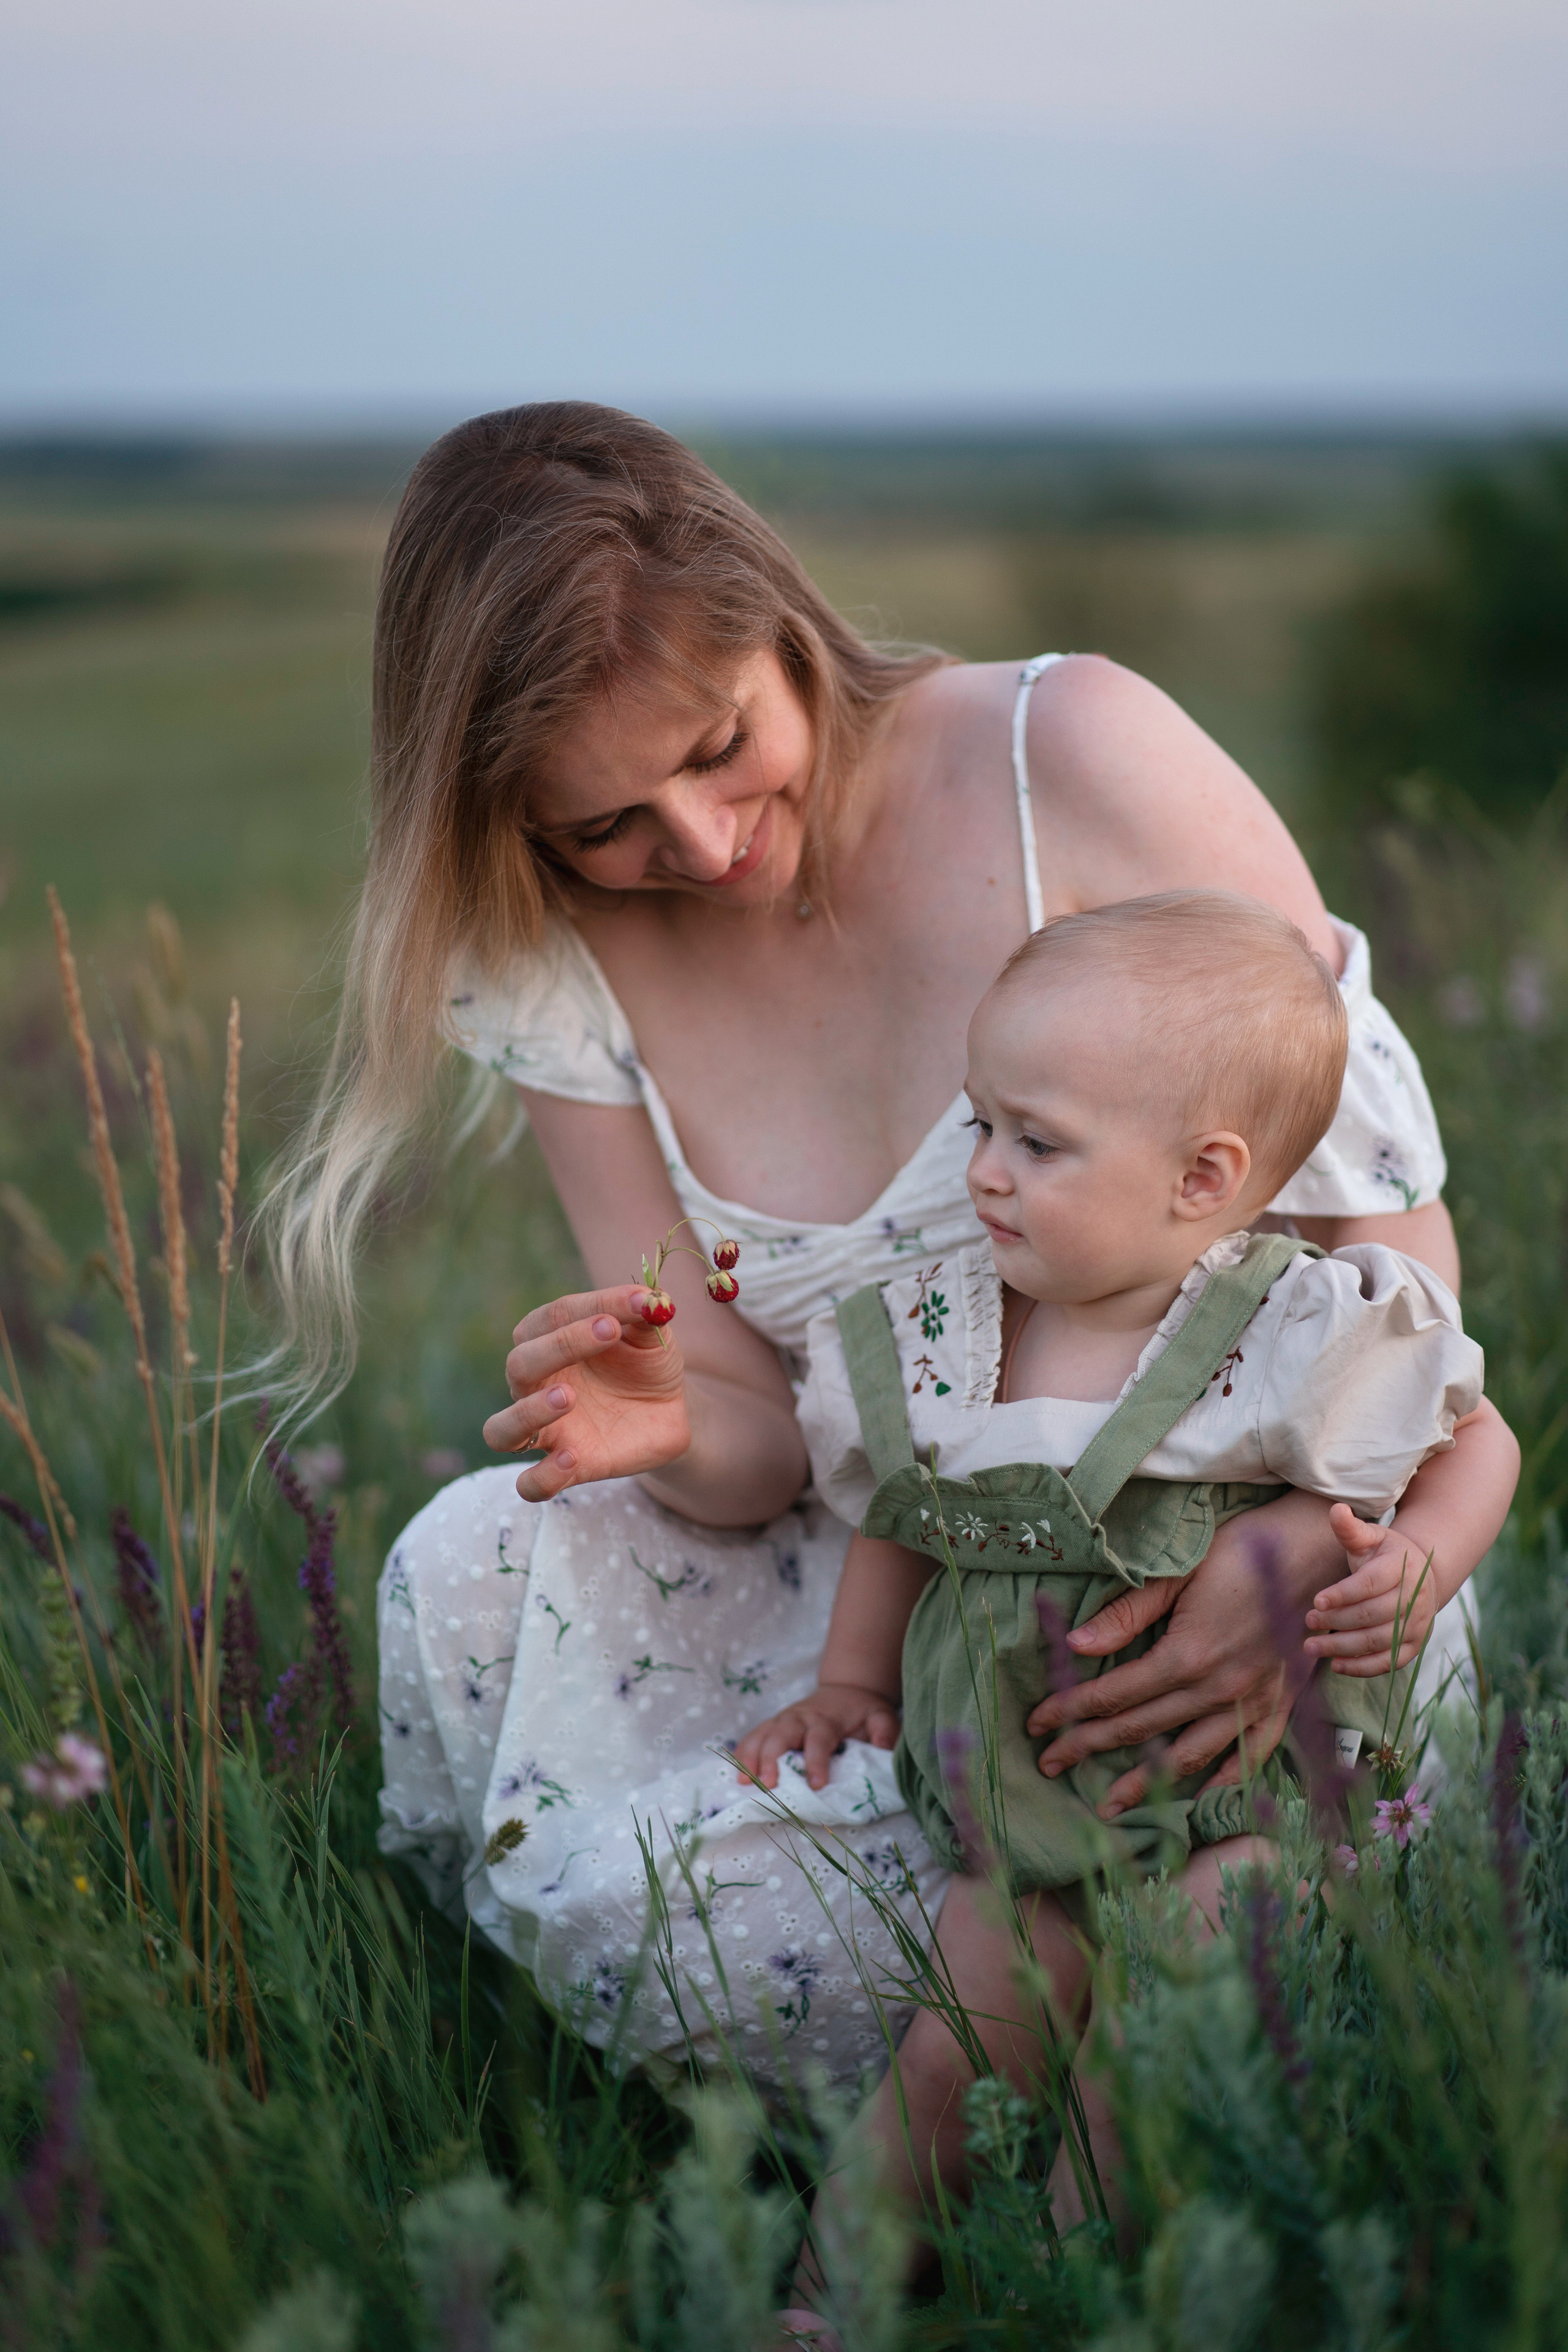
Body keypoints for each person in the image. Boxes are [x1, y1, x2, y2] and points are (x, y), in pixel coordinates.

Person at [271, 402, 1491, 2089]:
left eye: (714, 748)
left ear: (776, 619)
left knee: (1140, 1916)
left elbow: (1388, 1247)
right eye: (601, 826)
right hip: (899, 1571)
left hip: (1251, 1525)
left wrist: (1309, 1549)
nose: (697, 850)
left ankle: (1146, 2017)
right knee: (472, 1564)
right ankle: (949, 2045)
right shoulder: (551, 951)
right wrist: (680, 1411)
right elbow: (766, 1451)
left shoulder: (1069, 758)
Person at [733, 891, 1516, 2303]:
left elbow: (1472, 1435)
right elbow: (907, 1521)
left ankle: (1068, 2283)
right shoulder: (966, 1331)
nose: (980, 1171)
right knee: (946, 2059)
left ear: (1201, 1177)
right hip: (1028, 1806)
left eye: (1034, 1143)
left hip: (1247, 1801)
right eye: (980, 1123)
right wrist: (852, 1677)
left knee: (1143, 2041)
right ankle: (825, 2303)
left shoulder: (1287, 1323)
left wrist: (1421, 1559)